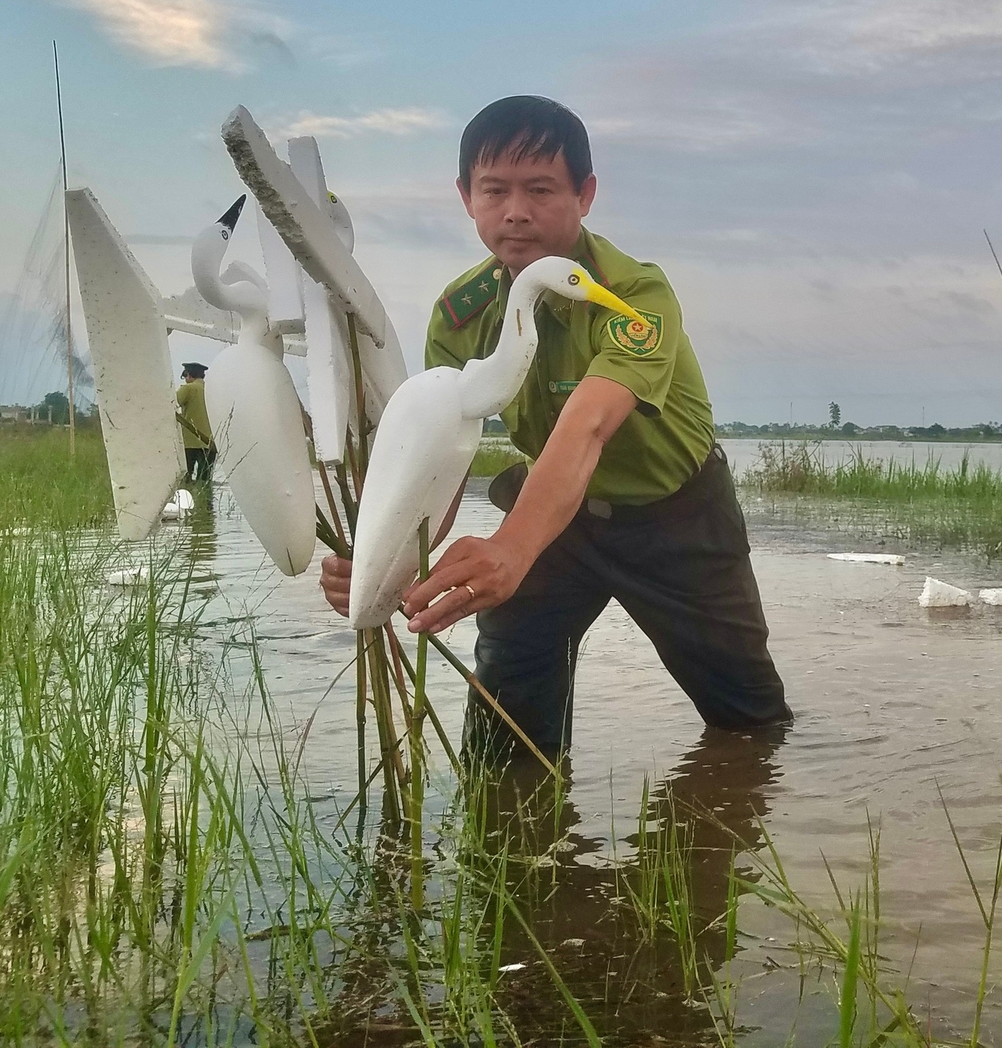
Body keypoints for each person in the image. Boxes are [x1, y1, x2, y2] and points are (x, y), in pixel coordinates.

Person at [318, 96, 791, 756]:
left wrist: (511, 548)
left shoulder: (631, 296)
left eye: (540, 189)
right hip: (554, 522)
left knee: (749, 723)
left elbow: (589, 427)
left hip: (676, 521)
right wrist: (380, 563)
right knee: (506, 732)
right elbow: (438, 465)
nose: (516, 211)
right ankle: (519, 851)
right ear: (466, 197)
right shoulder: (459, 318)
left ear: (585, 194)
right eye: (495, 190)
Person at [175, 362, 214, 481]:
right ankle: (205, 500)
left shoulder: (188, 388)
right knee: (204, 480)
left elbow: (172, 403)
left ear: (189, 375)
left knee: (186, 477)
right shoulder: (212, 390)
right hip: (210, 442)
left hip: (190, 440)